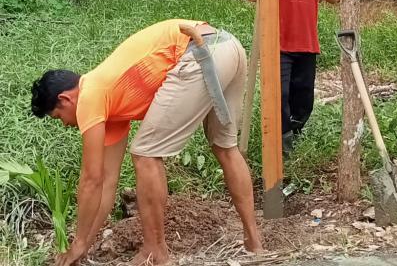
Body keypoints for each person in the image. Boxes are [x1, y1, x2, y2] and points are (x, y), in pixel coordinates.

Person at [31, 19, 263, 266]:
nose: (66, 124)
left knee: (145, 154)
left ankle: (155, 251)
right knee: (225, 149)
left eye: (59, 117)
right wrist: (83, 246)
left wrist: (76, 242)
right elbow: (107, 183)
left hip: (198, 50)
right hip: (227, 47)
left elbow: (91, 179)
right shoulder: (110, 103)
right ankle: (254, 243)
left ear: (65, 99)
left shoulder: (89, 95)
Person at [247, 0, 340, 154]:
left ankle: (294, 135)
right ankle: (282, 145)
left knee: (304, 98)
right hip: (278, 42)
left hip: (307, 42)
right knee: (280, 95)